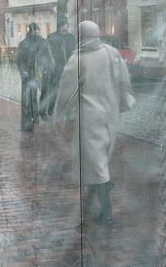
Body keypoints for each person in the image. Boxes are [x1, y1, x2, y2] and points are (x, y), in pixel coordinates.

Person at [55, 21, 133, 226]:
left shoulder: (77, 59)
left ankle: (106, 211)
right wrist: (122, 102)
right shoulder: (111, 52)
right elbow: (124, 79)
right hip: (110, 113)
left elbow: (66, 93)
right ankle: (90, 201)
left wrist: (59, 115)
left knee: (96, 162)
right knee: (98, 159)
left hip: (89, 118)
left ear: (80, 35)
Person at [16, 22, 52, 132]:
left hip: (39, 73)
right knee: (28, 98)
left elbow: (48, 57)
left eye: (37, 31)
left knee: (37, 96)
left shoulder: (42, 43)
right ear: (30, 31)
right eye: (35, 31)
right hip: (29, 74)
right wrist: (24, 73)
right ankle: (29, 120)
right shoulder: (24, 44)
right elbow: (20, 60)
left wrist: (47, 69)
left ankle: (36, 116)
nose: (36, 33)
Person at [44, 19, 77, 115]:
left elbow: (74, 52)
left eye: (67, 25)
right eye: (64, 25)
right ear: (60, 26)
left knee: (69, 91)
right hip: (56, 69)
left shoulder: (71, 38)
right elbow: (48, 54)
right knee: (54, 91)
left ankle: (67, 111)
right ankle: (50, 110)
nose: (66, 27)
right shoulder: (52, 37)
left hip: (69, 68)